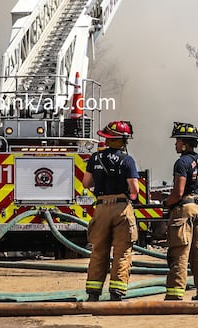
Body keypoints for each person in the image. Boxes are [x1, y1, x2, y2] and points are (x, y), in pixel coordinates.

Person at [82, 120, 140, 302]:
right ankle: (116, 293)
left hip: (100, 208)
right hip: (121, 207)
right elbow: (135, 189)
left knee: (98, 251)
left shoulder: (95, 158)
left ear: (107, 139)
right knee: (122, 252)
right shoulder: (127, 160)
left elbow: (86, 183)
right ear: (122, 141)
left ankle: (93, 293)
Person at [163, 122, 198, 301]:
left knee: (179, 252)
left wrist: (167, 203)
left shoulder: (181, 163)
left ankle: (174, 294)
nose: (175, 144)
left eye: (177, 140)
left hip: (184, 210)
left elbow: (178, 192)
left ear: (185, 143)